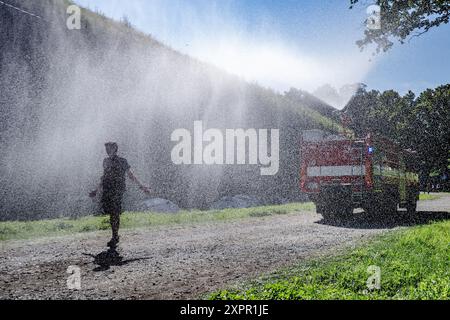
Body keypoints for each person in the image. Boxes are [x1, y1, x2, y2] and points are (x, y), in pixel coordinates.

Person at [90, 142, 151, 249]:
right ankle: (115, 235)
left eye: (109, 148)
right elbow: (104, 176)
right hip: (107, 189)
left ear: (115, 149)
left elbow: (130, 175)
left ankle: (115, 236)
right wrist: (96, 190)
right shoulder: (106, 161)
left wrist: (141, 186)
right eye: (106, 149)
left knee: (115, 212)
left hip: (118, 190)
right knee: (111, 214)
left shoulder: (122, 161)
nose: (107, 150)